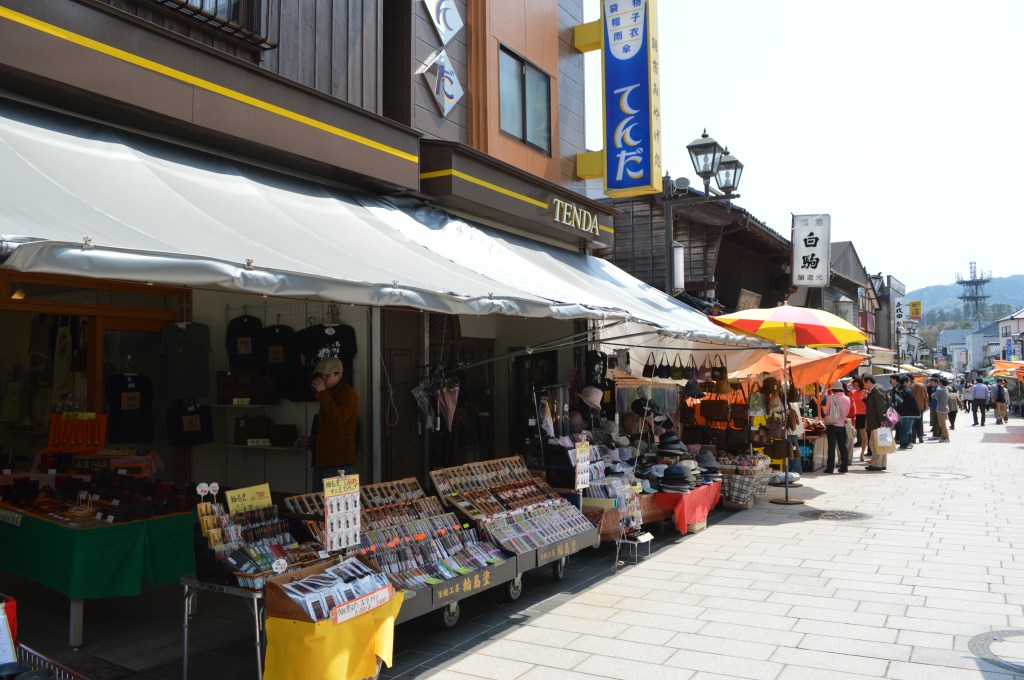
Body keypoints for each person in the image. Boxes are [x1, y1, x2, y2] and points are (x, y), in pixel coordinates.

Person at [310, 357, 359, 489]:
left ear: (339, 375)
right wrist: (310, 441)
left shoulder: (348, 394)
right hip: (323, 458)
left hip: (338, 459)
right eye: (321, 375)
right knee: (318, 501)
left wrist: (322, 393)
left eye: (327, 375)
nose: (323, 378)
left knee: (334, 503)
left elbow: (339, 418)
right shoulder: (329, 393)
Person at [821, 381, 851, 474]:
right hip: (842, 425)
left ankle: (830, 468)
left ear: (833, 389)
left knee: (831, 447)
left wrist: (824, 409)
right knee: (843, 447)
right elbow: (846, 412)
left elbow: (826, 412)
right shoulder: (847, 398)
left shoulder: (831, 397)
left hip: (832, 425)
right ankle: (844, 467)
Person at [863, 374, 890, 471]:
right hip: (877, 421)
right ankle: (881, 463)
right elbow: (874, 405)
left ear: (868, 381)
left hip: (877, 421)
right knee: (881, 443)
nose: (864, 386)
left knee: (875, 443)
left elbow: (881, 405)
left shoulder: (877, 389)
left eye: (864, 383)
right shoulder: (876, 389)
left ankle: (876, 464)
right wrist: (865, 398)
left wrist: (882, 420)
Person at [893, 375, 919, 450]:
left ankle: (907, 443)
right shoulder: (907, 390)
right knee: (906, 429)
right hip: (908, 413)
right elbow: (912, 401)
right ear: (905, 382)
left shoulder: (896, 390)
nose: (910, 383)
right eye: (909, 381)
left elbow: (893, 401)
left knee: (903, 429)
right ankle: (904, 444)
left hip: (899, 412)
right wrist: (916, 410)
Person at [848, 377, 868, 462]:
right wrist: (850, 382)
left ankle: (862, 454)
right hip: (854, 416)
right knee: (851, 435)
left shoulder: (864, 392)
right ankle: (849, 455)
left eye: (857, 385)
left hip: (863, 415)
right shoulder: (852, 392)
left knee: (864, 436)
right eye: (854, 385)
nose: (856, 386)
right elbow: (845, 388)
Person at [930, 378, 951, 442]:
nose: (938, 383)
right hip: (945, 408)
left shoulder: (940, 391)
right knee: (942, 423)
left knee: (942, 424)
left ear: (941, 383)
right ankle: (943, 436)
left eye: (939, 382)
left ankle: (946, 437)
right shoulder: (946, 389)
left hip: (941, 409)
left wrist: (937, 397)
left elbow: (932, 396)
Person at [910, 376, 928, 444]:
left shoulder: (911, 386)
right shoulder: (922, 385)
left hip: (913, 407)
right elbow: (926, 396)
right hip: (921, 407)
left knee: (913, 423)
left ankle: (913, 438)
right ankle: (921, 438)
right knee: (920, 422)